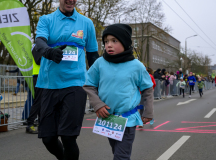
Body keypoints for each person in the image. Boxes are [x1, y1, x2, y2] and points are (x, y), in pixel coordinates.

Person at [34, 0, 99, 159]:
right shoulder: (46, 20)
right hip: (48, 84)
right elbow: (40, 41)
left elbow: (93, 56)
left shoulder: (86, 23)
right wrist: (49, 51)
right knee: (48, 138)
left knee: (68, 137)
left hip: (75, 84)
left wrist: (100, 85)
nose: (70, 0)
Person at [83, 24, 154, 160]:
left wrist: (148, 111)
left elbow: (147, 89)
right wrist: (97, 104)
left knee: (121, 156)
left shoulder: (136, 66)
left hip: (128, 119)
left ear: (125, 43)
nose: (109, 45)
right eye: (106, 41)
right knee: (117, 152)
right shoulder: (99, 63)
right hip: (108, 119)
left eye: (114, 41)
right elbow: (89, 85)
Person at [25, 45, 43, 134]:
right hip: (38, 76)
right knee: (38, 101)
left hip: (42, 76)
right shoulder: (37, 47)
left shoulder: (42, 45)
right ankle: (30, 124)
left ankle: (41, 123)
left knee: (43, 101)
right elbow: (38, 61)